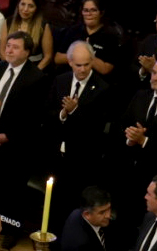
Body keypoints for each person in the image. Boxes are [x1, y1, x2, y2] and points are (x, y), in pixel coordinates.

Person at [0, 31, 51, 248]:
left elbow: (35, 119)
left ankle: (11, 230)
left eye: (15, 47)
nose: (9, 50)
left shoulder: (36, 78)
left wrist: (9, 136)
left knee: (13, 192)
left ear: (27, 51)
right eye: (8, 45)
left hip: (17, 146)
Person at [111, 60, 157, 249]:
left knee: (145, 227)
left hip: (156, 178)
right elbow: (122, 125)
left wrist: (143, 141)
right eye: (154, 73)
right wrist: (129, 138)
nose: (155, 77)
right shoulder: (140, 96)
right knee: (123, 223)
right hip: (129, 173)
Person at [43, 42, 113, 221]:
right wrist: (63, 113)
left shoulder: (103, 89)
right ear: (70, 62)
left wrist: (74, 111)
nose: (83, 69)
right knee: (53, 203)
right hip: (56, 154)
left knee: (74, 206)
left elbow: (96, 127)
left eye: (87, 64)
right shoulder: (60, 80)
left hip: (82, 159)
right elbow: (47, 111)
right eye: (78, 65)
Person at [51, 0, 121, 83]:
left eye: (93, 10)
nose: (89, 14)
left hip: (96, 81)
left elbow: (105, 69)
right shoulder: (74, 30)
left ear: (101, 13)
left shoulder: (110, 36)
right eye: (86, 10)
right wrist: (77, 54)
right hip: (71, 77)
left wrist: (87, 54)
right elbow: (57, 59)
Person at [6, 0, 54, 70]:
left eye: (31, 6)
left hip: (34, 67)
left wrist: (34, 73)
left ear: (37, 8)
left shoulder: (44, 26)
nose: (25, 9)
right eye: (23, 4)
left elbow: (48, 57)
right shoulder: (8, 22)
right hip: (11, 66)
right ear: (18, 5)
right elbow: (2, 52)